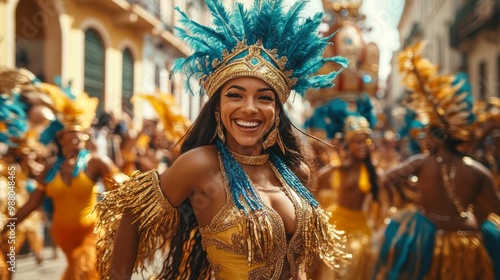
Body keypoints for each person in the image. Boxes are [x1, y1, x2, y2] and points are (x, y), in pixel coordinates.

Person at [94, 0, 350, 279]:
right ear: (217, 107)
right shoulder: (201, 164)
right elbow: (134, 215)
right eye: (235, 95)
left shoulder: (294, 172)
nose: (250, 108)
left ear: (276, 111)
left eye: (264, 98)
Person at [374, 41, 500, 280]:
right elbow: (496, 209)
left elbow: (385, 179)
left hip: (425, 240)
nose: (424, 137)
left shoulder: (420, 163)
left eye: (428, 132)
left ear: (439, 136)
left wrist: (405, 194)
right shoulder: (477, 170)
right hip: (467, 244)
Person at [2, 76, 125, 280]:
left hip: (91, 231)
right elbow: (33, 203)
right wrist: (7, 226)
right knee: (76, 271)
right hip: (63, 236)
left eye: (80, 131)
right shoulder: (50, 168)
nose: (77, 136)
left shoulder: (98, 162)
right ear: (61, 137)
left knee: (83, 270)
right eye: (71, 132)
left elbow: (121, 194)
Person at [306, 96, 380, 280]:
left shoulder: (371, 170)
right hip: (336, 226)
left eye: (367, 141)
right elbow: (311, 187)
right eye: (358, 142)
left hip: (361, 228)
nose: (363, 146)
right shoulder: (337, 168)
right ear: (348, 144)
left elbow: (381, 199)